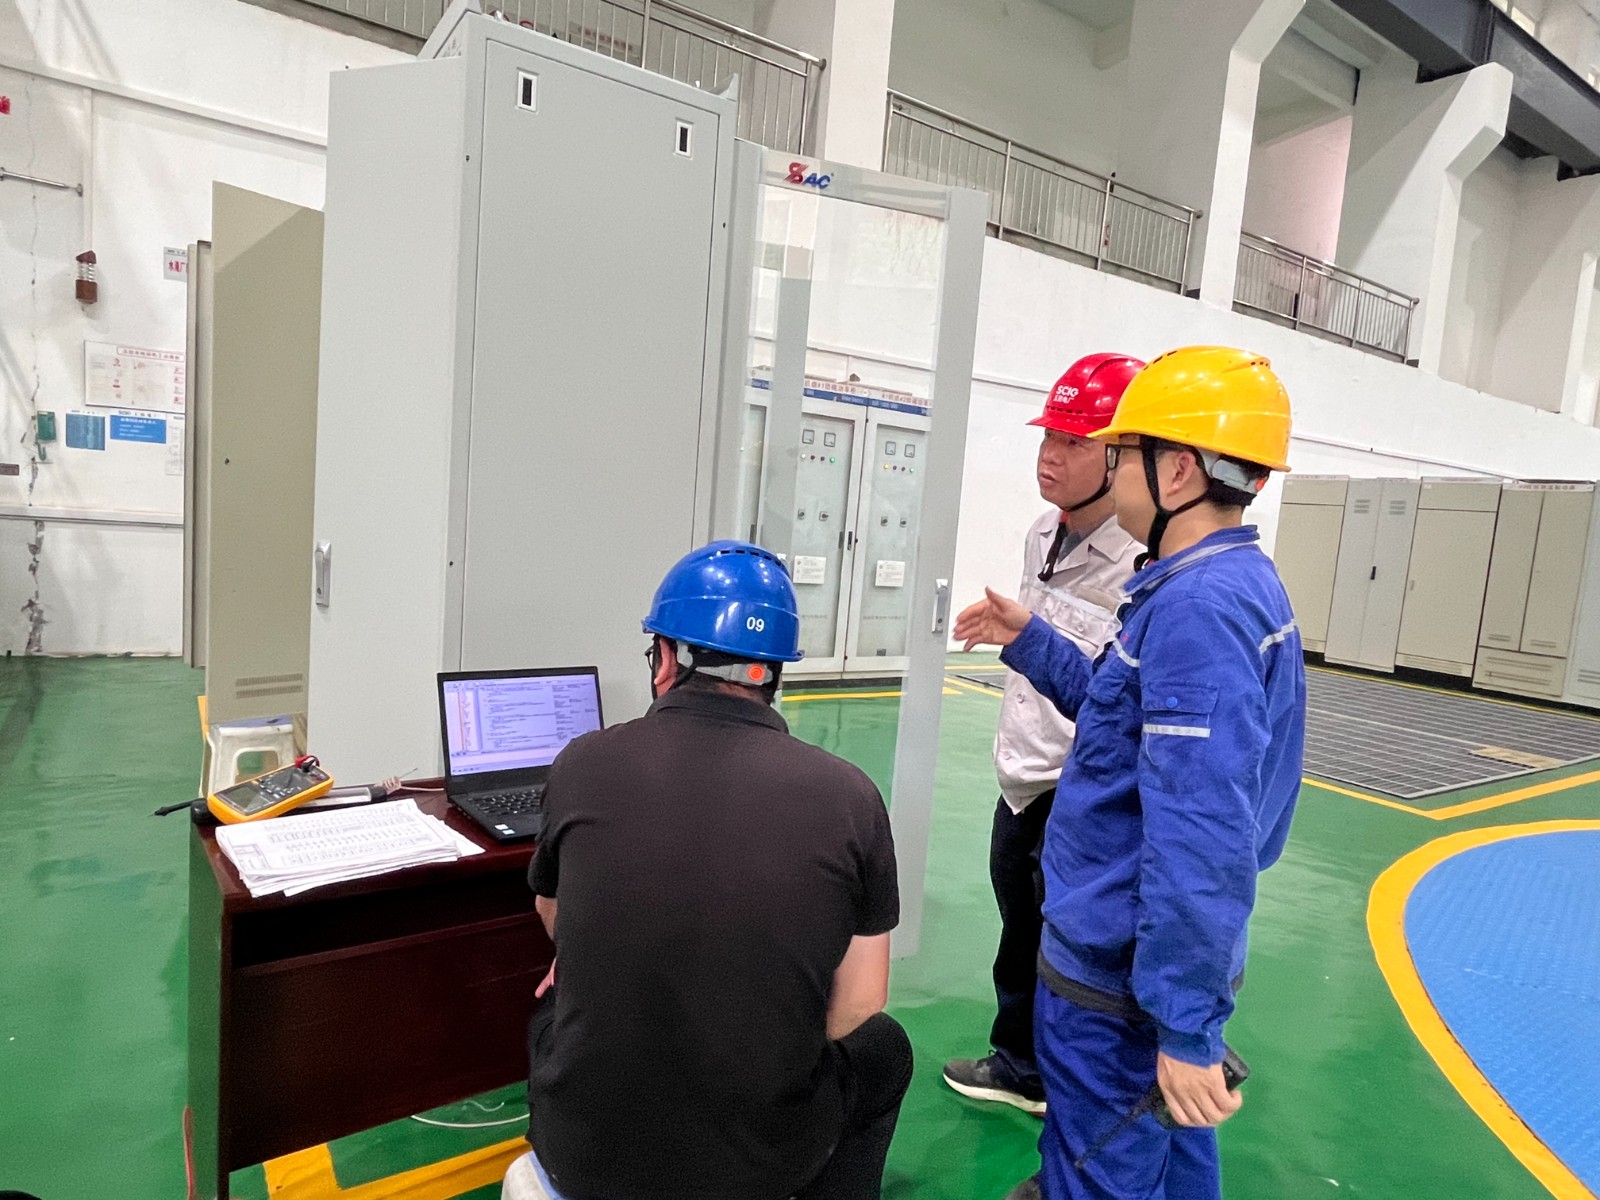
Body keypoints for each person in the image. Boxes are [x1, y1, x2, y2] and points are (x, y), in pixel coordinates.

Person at [955, 346, 1307, 1200]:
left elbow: (1203, 836)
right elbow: (1121, 726)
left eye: (1121, 453)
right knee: (1168, 1157)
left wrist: (1184, 1028)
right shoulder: (1219, 583)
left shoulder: (1197, 611)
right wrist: (1030, 640)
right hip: (1141, 964)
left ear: (1178, 470)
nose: (1110, 472)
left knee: (1101, 1165)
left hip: (1118, 978)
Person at [510, 540, 912, 1200]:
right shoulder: (850, 794)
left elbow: (555, 916)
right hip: (756, 1167)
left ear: (667, 659)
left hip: (586, 1160)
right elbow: (863, 1001)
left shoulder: (581, 761)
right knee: (885, 1049)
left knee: (554, 1003)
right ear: (773, 673)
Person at [943, 353, 1145, 1117]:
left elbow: (1112, 702)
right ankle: (1022, 1062)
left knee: (1069, 942)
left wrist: (1029, 637)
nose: (1049, 455)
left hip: (1078, 786)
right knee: (1018, 921)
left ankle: (1052, 1075)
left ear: (1121, 457)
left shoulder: (1140, 564)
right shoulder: (1042, 534)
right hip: (1021, 777)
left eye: (1073, 441)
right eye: (1048, 436)